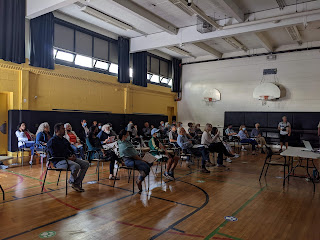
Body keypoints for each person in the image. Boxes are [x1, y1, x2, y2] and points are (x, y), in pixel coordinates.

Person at [47, 123, 89, 192]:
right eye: (62, 129)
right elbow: (54, 155)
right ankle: (73, 183)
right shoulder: (52, 141)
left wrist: (73, 155)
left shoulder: (64, 140)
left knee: (86, 164)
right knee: (76, 166)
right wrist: (67, 157)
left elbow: (71, 149)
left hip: (68, 159)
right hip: (58, 161)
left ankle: (75, 182)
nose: (64, 130)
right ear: (57, 130)